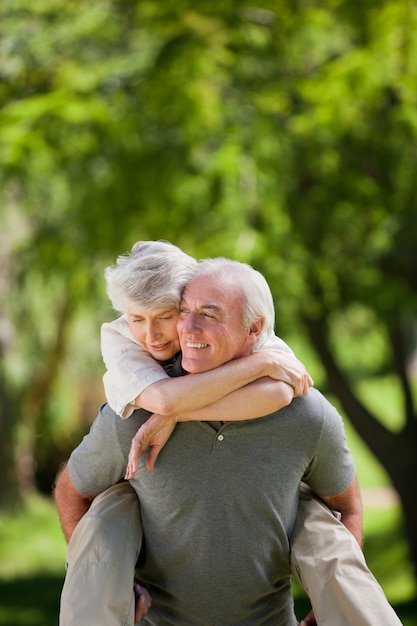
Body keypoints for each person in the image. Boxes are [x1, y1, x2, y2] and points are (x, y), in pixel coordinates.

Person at [55, 257, 402, 625]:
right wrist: (109, 586)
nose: (186, 327)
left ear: (254, 330)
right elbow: (71, 492)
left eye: (209, 314)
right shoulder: (133, 418)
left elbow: (346, 506)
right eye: (184, 310)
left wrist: (332, 603)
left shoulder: (307, 416)